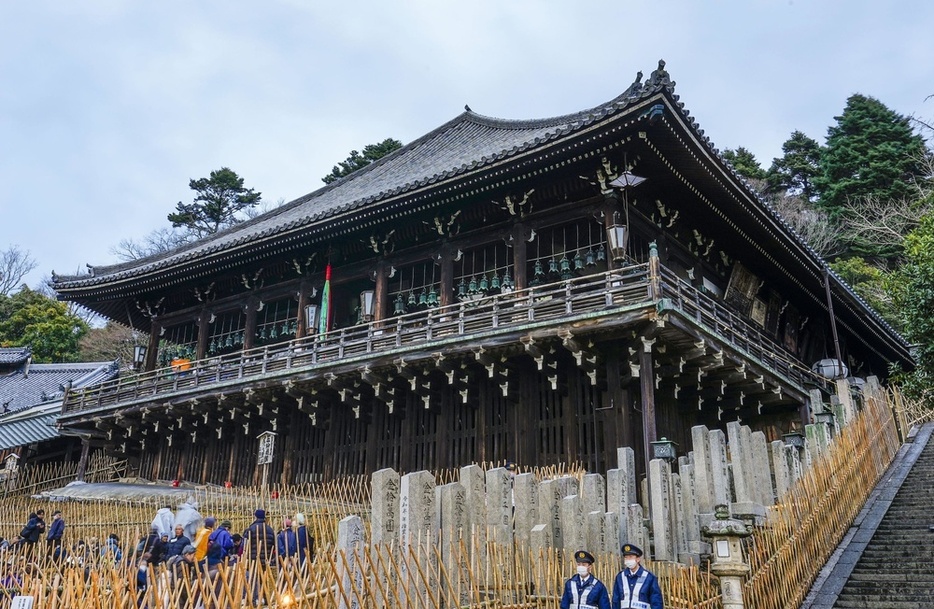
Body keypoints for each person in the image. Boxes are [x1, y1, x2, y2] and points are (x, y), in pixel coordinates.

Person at [612, 544, 664, 609]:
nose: (628, 560)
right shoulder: (620, 577)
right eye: (626, 557)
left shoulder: (649, 578)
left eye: (630, 557)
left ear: (638, 559)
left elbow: (656, 602)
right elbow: (616, 601)